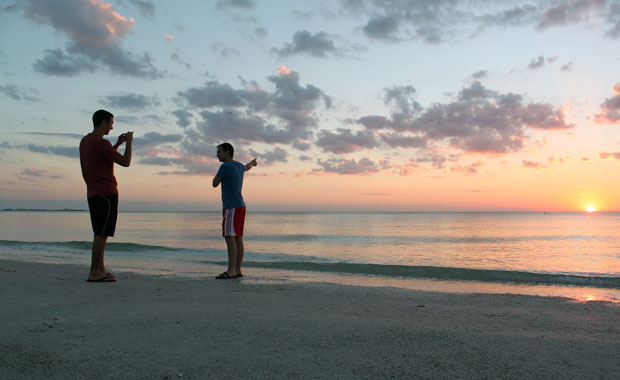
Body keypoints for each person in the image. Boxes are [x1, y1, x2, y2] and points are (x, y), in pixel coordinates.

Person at [79, 109, 133, 282]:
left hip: (93, 192)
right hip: (106, 191)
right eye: (111, 123)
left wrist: (116, 145)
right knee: (102, 233)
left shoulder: (86, 141)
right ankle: (94, 271)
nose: (112, 127)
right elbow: (125, 162)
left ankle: (100, 268)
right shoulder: (101, 143)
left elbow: (103, 157)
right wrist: (129, 143)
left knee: (100, 232)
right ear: (103, 122)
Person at [212, 142, 257, 279]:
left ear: (227, 152)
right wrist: (253, 163)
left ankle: (231, 270)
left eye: (219, 152)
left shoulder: (225, 166)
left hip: (231, 206)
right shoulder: (239, 166)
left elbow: (214, 183)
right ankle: (237, 269)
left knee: (229, 237)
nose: (217, 155)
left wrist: (219, 177)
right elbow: (247, 167)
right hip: (241, 206)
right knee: (238, 237)